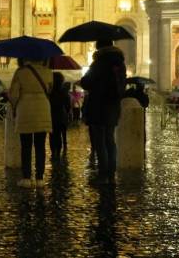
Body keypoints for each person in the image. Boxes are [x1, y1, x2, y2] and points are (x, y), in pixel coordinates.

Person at [80, 40, 126, 179]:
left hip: (98, 105)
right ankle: (111, 172)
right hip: (113, 105)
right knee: (110, 139)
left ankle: (103, 174)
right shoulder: (120, 63)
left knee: (100, 141)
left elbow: (86, 82)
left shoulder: (98, 63)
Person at [9, 58, 52, 187]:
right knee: (40, 146)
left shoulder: (20, 72)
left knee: (26, 146)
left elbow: (14, 94)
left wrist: (14, 105)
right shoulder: (48, 72)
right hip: (43, 108)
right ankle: (40, 178)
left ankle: (26, 178)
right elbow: (49, 90)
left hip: (25, 108)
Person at [49, 78, 71, 156]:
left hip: (51, 116)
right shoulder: (64, 93)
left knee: (52, 135)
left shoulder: (49, 92)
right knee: (59, 135)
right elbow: (68, 106)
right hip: (61, 116)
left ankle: (53, 152)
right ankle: (58, 152)